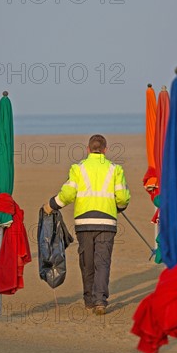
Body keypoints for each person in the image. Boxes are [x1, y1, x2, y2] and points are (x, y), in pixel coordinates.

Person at [44, 134, 130, 315]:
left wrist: (52, 205)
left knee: (87, 262)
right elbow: (122, 198)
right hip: (107, 221)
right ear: (105, 150)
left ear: (88, 149)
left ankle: (89, 300)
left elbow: (67, 195)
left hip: (84, 223)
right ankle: (100, 301)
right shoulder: (115, 169)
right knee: (103, 262)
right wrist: (119, 207)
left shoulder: (78, 168)